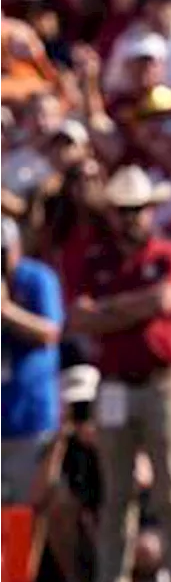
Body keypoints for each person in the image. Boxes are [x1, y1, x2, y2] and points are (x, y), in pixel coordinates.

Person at [66, 166, 171, 582]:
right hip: (116, 385)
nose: (131, 218)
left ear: (151, 210)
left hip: (161, 382)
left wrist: (111, 310)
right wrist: (136, 307)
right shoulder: (97, 259)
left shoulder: (169, 254)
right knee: (116, 496)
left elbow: (166, 300)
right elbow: (81, 317)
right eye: (124, 211)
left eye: (137, 210)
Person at [0, 216, 64, 507]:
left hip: (28, 419)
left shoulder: (37, 279)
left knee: (21, 516)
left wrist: (6, 311)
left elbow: (50, 332)